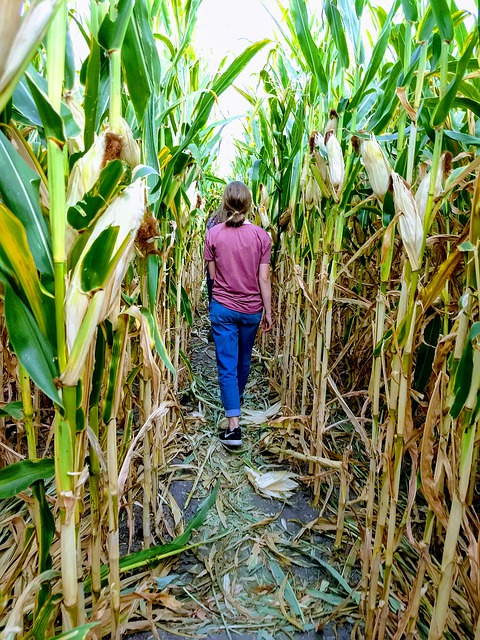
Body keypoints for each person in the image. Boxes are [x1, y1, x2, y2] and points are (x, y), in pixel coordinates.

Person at [203, 181, 272, 449]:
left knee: (227, 365)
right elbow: (263, 278)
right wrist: (268, 310)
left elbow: (212, 276)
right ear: (249, 204)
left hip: (223, 307)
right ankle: (235, 406)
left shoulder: (214, 235)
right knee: (244, 361)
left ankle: (234, 426)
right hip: (252, 310)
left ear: (225, 203)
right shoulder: (261, 236)